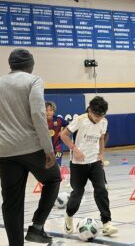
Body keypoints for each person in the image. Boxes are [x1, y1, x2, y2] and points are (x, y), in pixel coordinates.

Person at [0, 48, 61, 245]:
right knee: (53, 179)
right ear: (30, 65)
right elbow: (38, 114)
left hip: (4, 151)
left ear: (11, 65)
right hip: (31, 148)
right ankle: (36, 227)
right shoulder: (34, 80)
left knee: (12, 202)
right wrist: (48, 148)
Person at [60, 96, 117, 236]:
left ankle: (106, 223)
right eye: (96, 115)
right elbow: (63, 135)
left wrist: (102, 153)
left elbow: (102, 137)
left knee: (101, 190)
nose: (98, 119)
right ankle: (69, 216)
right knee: (77, 194)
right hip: (78, 164)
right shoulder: (80, 120)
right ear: (90, 110)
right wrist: (75, 149)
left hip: (95, 162)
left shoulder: (104, 121)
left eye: (101, 115)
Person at [46, 101, 69, 166]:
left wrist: (63, 132)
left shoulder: (59, 120)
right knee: (46, 166)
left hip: (57, 147)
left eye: (50, 110)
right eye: (46, 110)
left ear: (54, 111)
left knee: (57, 165)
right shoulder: (41, 121)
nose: (48, 112)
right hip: (45, 149)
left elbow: (68, 125)